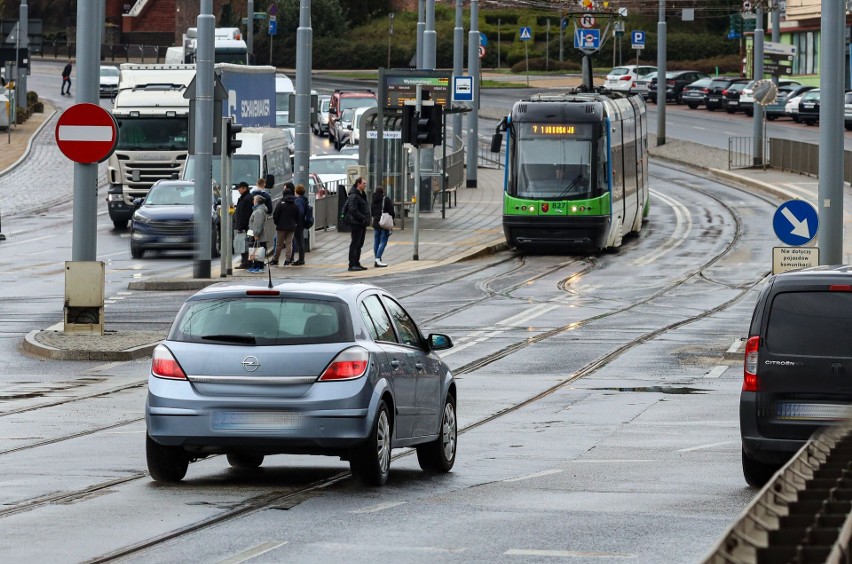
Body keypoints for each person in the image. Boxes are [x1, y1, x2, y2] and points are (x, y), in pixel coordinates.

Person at [345, 177, 370, 272]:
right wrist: (362, 218)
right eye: (364, 183)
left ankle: (357, 262)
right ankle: (352, 264)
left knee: (360, 244)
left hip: (361, 223)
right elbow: (353, 209)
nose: (365, 185)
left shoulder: (362, 194)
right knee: (355, 243)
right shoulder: (354, 196)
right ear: (358, 184)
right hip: (356, 223)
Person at [271, 184, 298, 266]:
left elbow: (275, 215)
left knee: (279, 244)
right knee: (289, 243)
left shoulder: (281, 203)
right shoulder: (294, 204)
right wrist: (295, 223)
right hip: (291, 227)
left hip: (281, 227)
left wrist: (277, 223)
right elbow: (297, 215)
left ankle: (276, 259)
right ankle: (287, 260)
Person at [371, 186, 394, 268]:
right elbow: (391, 211)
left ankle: (377, 259)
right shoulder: (386, 199)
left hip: (376, 222)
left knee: (376, 241)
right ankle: (377, 259)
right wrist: (392, 220)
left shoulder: (373, 199)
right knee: (383, 241)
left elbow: (372, 211)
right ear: (383, 192)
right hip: (384, 222)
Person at [232, 182, 253, 269]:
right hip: (243, 225)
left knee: (244, 245)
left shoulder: (246, 199)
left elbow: (244, 214)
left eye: (240, 188)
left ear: (245, 188)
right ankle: (246, 262)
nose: (238, 190)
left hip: (244, 227)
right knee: (243, 245)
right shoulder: (244, 198)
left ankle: (246, 262)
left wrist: (240, 227)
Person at [247, 195, 270, 273]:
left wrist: (256, 234)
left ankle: (259, 267)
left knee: (258, 251)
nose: (252, 201)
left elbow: (258, 224)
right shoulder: (258, 210)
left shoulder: (258, 211)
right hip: (259, 234)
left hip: (259, 235)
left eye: (254, 199)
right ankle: (256, 266)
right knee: (257, 250)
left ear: (257, 201)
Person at [290, 184, 308, 266]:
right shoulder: (303, 200)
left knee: (299, 241)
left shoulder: (298, 201)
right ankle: (301, 259)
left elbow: (299, 212)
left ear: (296, 192)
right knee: (300, 241)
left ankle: (301, 259)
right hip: (301, 223)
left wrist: (295, 220)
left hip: (298, 224)